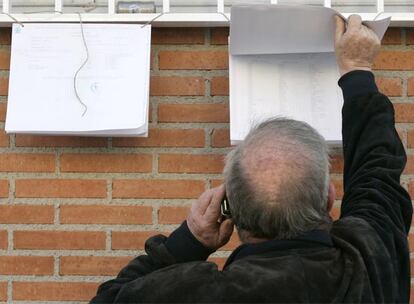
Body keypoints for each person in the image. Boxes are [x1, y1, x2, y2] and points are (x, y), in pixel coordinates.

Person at [90, 15, 412, 303]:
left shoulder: (199, 293)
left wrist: (190, 241)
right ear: (328, 198)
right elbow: (376, 174)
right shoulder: (369, 263)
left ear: (229, 207)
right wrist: (357, 69)